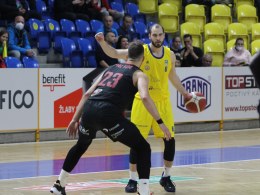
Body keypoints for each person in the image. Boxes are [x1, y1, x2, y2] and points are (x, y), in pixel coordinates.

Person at [50, 40, 171, 195]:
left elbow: (87, 93)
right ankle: (145, 191)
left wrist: (74, 119)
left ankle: (59, 184)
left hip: (89, 109)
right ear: (143, 59)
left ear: (127, 56)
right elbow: (145, 98)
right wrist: (160, 122)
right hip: (108, 113)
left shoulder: (111, 68)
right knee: (143, 147)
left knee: (81, 145)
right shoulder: (140, 74)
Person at [96, 24, 189, 193]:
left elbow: (173, 76)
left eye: (160, 35)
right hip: (142, 103)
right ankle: (132, 180)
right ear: (150, 36)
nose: (158, 38)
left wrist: (185, 94)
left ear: (164, 35)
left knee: (170, 141)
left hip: (163, 104)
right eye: (155, 35)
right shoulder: (141, 51)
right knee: (135, 143)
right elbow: (115, 53)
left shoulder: (170, 54)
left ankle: (166, 176)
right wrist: (102, 43)